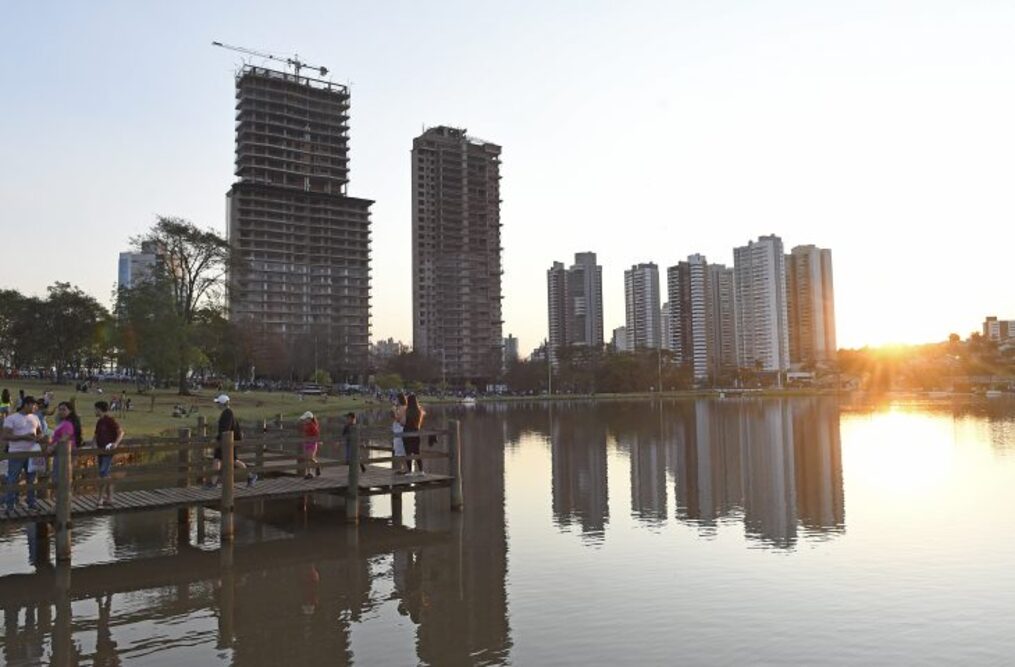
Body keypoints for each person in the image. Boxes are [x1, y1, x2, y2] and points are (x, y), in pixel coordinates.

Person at [3, 396, 44, 513]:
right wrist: (23, 437)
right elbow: (5, 436)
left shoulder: (35, 418)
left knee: (32, 479)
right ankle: (10, 505)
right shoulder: (12, 418)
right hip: (16, 453)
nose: (35, 407)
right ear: (26, 405)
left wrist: (39, 437)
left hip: (33, 453)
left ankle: (31, 503)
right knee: (13, 479)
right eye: (33, 405)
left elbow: (39, 433)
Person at [208, 394, 255, 488]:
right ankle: (213, 482)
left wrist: (217, 439)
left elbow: (226, 429)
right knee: (226, 460)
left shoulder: (228, 413)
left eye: (218, 403)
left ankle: (213, 483)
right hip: (226, 441)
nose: (217, 405)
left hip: (227, 442)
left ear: (222, 404)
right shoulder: (227, 412)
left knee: (222, 460)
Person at [91, 401, 124, 507]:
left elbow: (121, 432)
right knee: (106, 474)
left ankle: (100, 498)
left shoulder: (110, 420)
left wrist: (116, 443)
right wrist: (93, 444)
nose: (94, 411)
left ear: (99, 409)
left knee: (103, 473)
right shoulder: (99, 422)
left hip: (108, 451)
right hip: (100, 451)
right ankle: (110, 498)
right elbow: (96, 435)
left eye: (95, 409)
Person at [48, 401, 83, 475]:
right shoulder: (63, 422)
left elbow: (64, 438)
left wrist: (52, 447)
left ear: (70, 411)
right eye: (60, 409)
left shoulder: (68, 424)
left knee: (61, 475)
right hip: (60, 452)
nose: (61, 411)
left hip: (64, 453)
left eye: (64, 409)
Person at [403, 394, 426, 475]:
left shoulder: (407, 411)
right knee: (417, 451)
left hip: (407, 432)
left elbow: (403, 422)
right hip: (416, 431)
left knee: (408, 452)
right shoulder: (419, 411)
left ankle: (410, 471)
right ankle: (421, 470)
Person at [299, 411, 321, 479]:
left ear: (309, 419)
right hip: (306, 442)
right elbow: (305, 433)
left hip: (312, 443)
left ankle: (317, 465)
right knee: (306, 459)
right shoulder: (305, 425)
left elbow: (317, 434)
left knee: (310, 457)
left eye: (306, 419)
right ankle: (309, 473)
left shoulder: (313, 426)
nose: (305, 420)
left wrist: (318, 440)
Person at [392, 393, 408, 474]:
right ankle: (403, 468)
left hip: (400, 430)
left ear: (399, 399)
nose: (395, 400)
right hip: (399, 429)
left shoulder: (402, 407)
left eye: (396, 399)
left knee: (400, 450)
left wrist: (394, 410)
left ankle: (404, 469)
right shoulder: (403, 407)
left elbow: (398, 419)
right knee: (400, 450)